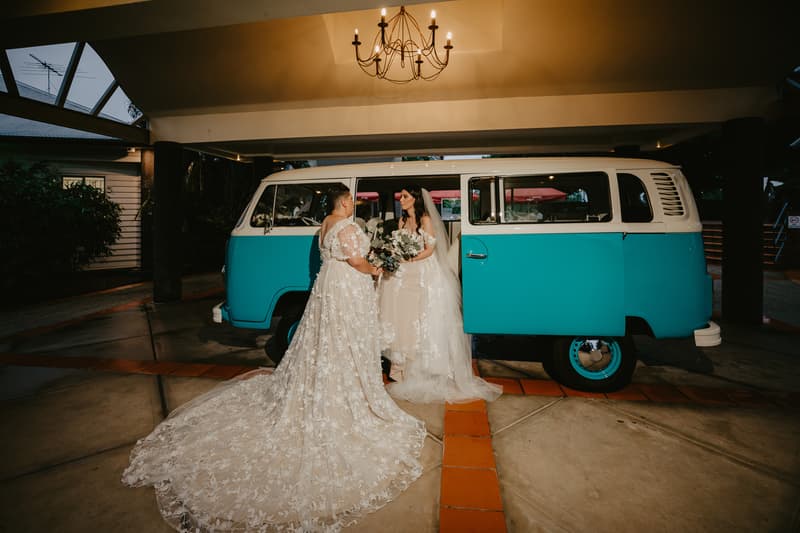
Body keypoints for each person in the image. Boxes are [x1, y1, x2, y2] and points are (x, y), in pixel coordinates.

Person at [122, 184, 426, 532]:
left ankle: (329, 383)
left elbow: (336, 258)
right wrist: (378, 269)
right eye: (350, 201)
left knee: (326, 341)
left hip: (329, 288)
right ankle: (347, 392)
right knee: (345, 340)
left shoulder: (324, 225)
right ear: (344, 202)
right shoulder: (346, 226)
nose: (351, 204)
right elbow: (357, 261)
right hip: (346, 290)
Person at [378, 185, 503, 404]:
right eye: (401, 196)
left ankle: (423, 370)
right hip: (404, 275)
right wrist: (396, 256)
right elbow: (398, 246)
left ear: (415, 199)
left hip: (422, 274)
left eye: (405, 196)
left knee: (421, 320)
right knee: (404, 319)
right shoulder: (402, 221)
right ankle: (401, 370)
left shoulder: (425, 220)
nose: (401, 199)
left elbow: (429, 249)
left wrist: (409, 258)